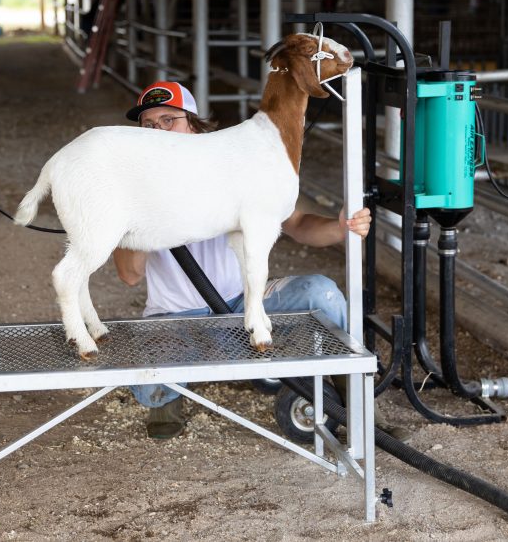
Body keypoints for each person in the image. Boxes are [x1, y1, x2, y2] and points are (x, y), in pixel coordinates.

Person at [113, 81, 377, 440]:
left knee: (321, 293)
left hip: (243, 307)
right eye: (149, 125)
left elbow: (298, 223)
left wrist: (342, 227)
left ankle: (356, 401)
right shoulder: (134, 187)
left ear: (194, 126)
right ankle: (170, 398)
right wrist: (143, 203)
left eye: (168, 120)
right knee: (152, 391)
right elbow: (129, 274)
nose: (158, 132)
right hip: (174, 320)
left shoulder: (233, 168)